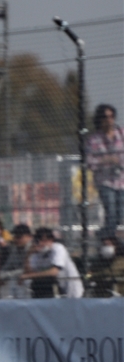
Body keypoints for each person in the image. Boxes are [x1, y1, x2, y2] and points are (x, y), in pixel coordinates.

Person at [87, 104, 123, 237]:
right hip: (105, 182)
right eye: (105, 117)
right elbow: (89, 161)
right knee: (111, 211)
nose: (109, 120)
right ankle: (108, 238)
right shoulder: (94, 139)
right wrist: (106, 160)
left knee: (121, 214)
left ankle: (105, 234)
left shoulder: (121, 134)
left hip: (121, 181)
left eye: (111, 116)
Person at [21, 227, 83, 298]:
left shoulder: (58, 248)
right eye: (38, 241)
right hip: (54, 290)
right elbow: (29, 272)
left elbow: (54, 272)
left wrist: (27, 276)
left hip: (71, 290)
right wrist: (28, 254)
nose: (41, 243)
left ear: (51, 240)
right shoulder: (37, 254)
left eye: (44, 241)